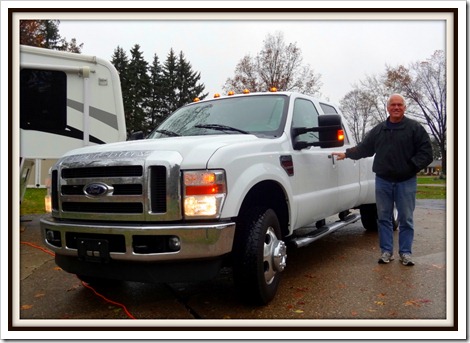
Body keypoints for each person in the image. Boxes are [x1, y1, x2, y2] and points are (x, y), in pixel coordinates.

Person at [332, 94, 433, 266]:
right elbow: (365, 148)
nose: (396, 107)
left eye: (399, 105)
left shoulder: (415, 128)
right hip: (383, 181)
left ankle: (405, 253)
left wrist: (411, 166)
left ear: (404, 107)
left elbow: (426, 152)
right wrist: (347, 154)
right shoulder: (379, 130)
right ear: (388, 107)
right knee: (384, 218)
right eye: (393, 104)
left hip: (406, 181)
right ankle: (386, 252)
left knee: (406, 218)